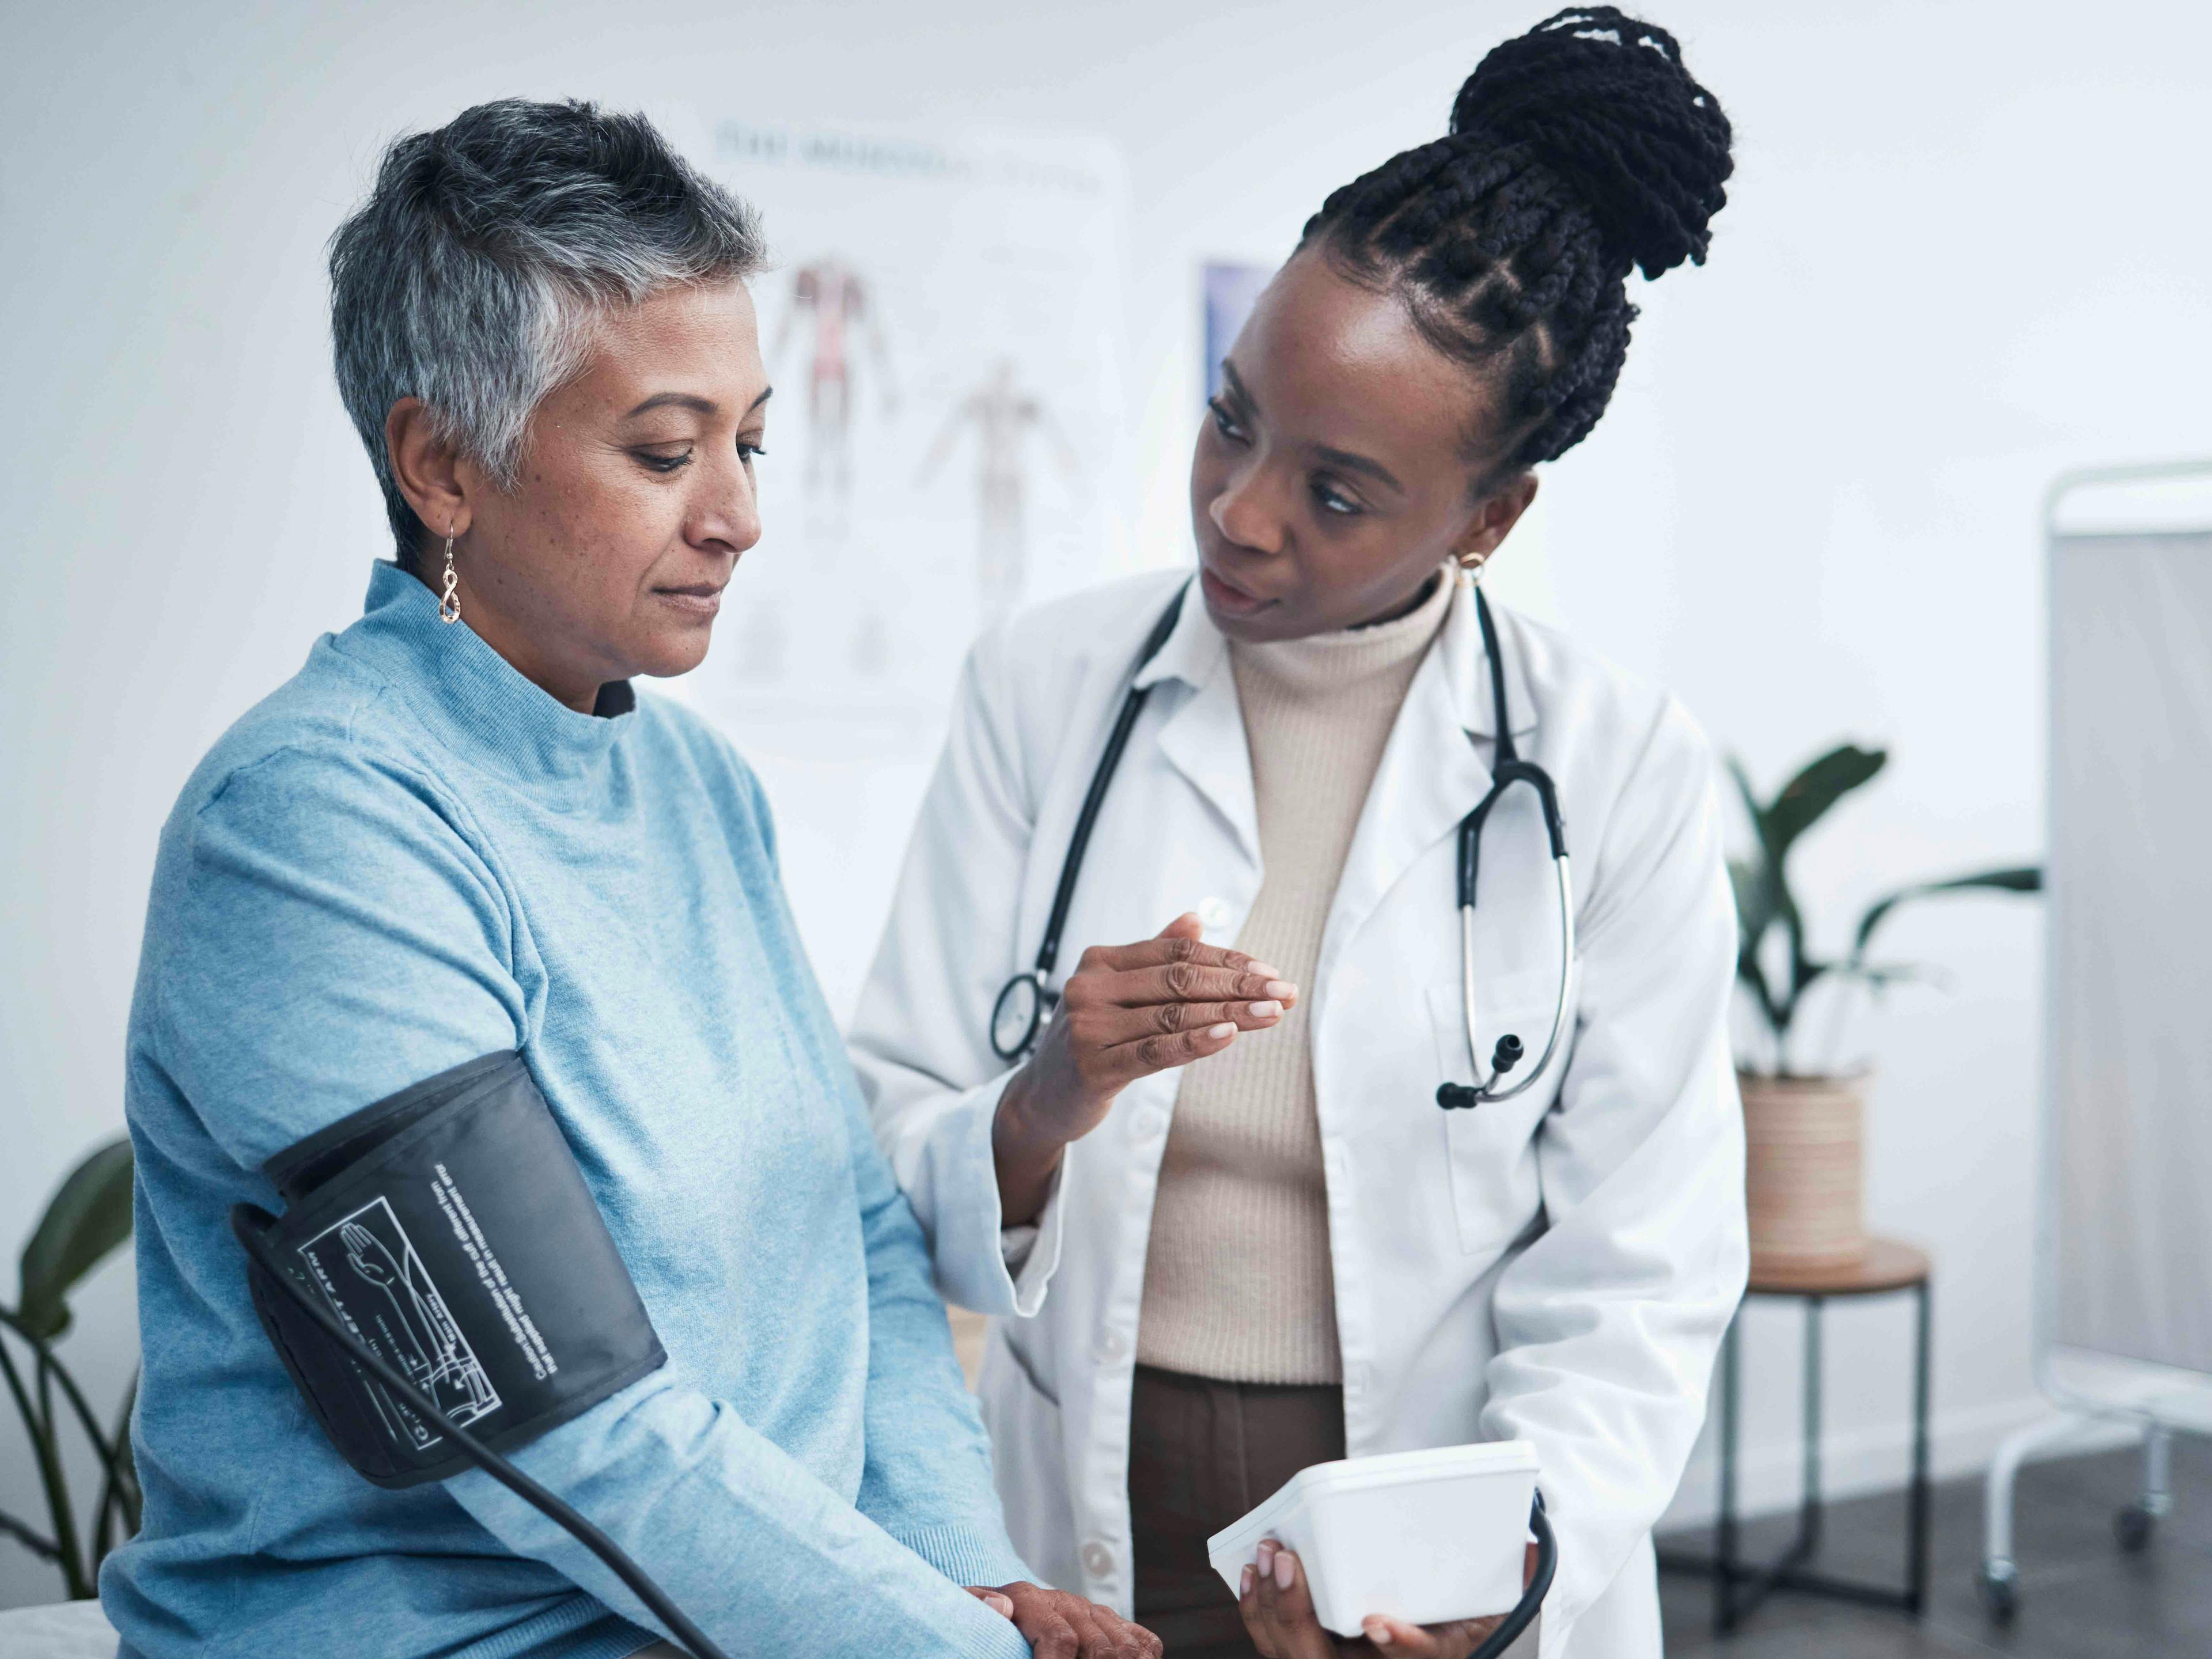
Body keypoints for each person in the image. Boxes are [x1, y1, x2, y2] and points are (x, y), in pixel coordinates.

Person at [102, 99, 1154, 1659]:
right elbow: (557, 1416)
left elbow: (853, 1234)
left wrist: (965, 1574)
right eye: (665, 449)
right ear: (443, 465)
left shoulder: (694, 785)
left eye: (749, 440)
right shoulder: (312, 829)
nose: (736, 515)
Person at [851, 12, 1747, 1658]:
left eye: (1336, 492)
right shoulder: (1046, 689)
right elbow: (880, 1142)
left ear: (1489, 517)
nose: (1239, 510)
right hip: (1086, 1521)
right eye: (1229, 416)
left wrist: (1497, 1587)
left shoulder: (1617, 772)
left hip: (1434, 1539)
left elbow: (1640, 1275)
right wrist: (1048, 1101)